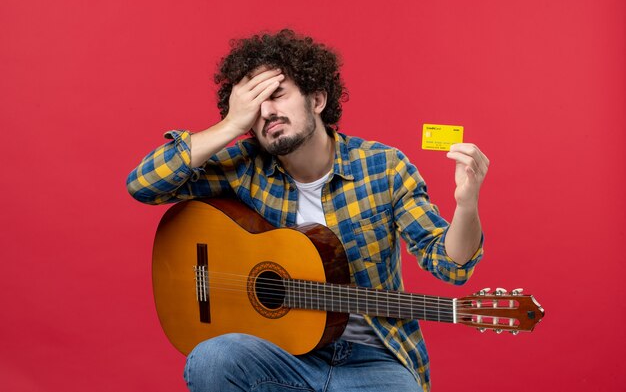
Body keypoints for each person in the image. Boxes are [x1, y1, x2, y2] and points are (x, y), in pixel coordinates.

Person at [127, 29, 489, 392]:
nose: (266, 111)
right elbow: (143, 184)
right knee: (211, 358)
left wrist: (466, 205)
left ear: (317, 99)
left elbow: (451, 267)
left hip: (374, 359)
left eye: (277, 96)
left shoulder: (384, 167)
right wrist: (230, 125)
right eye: (253, 105)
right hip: (281, 355)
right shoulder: (243, 168)